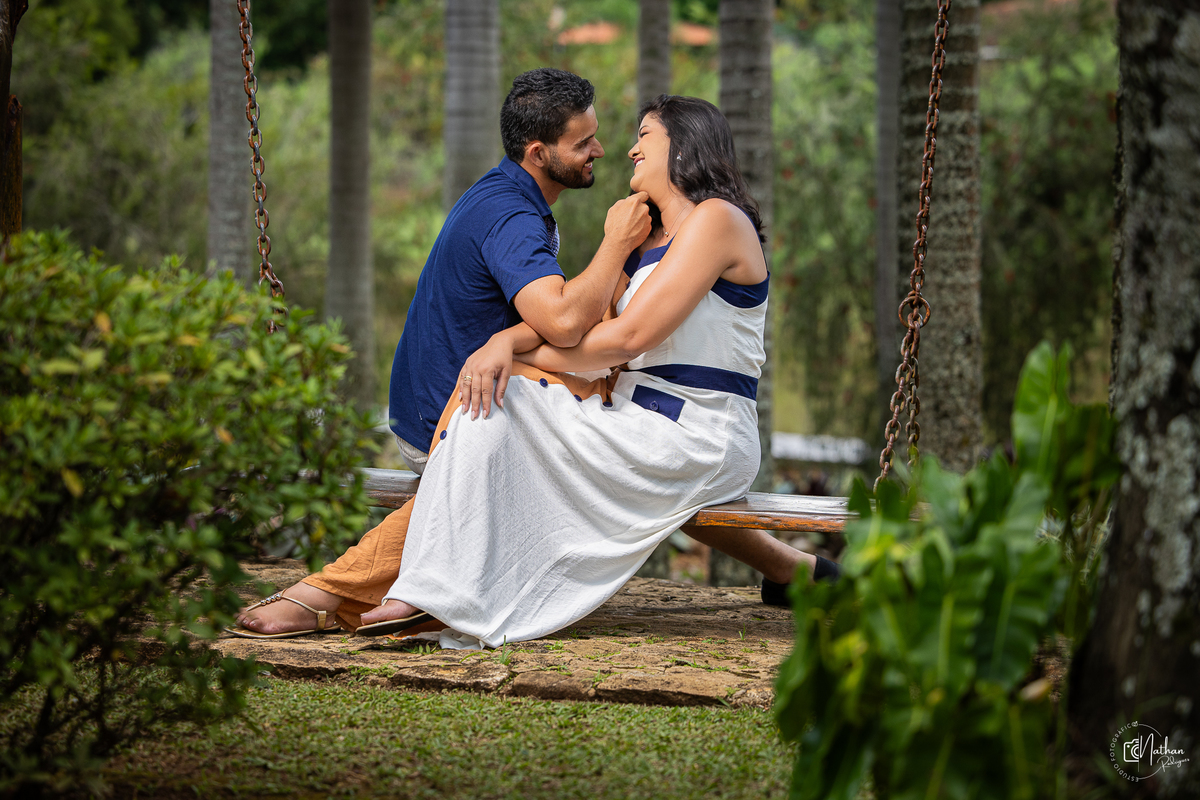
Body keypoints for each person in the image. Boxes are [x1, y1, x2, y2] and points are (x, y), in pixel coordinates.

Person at [228, 94, 839, 644]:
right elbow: (582, 318)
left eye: (644, 135)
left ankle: (414, 593)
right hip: (633, 419)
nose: (627, 148)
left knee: (500, 396)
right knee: (496, 401)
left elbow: (622, 340)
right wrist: (505, 341)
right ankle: (429, 593)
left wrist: (511, 353)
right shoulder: (645, 236)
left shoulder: (717, 220)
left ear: (684, 145)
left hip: (697, 431)